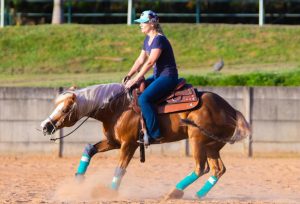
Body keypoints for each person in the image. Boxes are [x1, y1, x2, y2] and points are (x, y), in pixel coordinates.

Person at [123, 10, 179, 142]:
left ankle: (155, 134)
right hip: (158, 76)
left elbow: (150, 61)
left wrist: (136, 79)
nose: (140, 25)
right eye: (140, 23)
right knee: (135, 91)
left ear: (152, 24)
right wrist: (128, 75)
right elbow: (140, 60)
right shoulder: (148, 39)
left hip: (168, 77)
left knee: (144, 99)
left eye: (143, 22)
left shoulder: (159, 39)